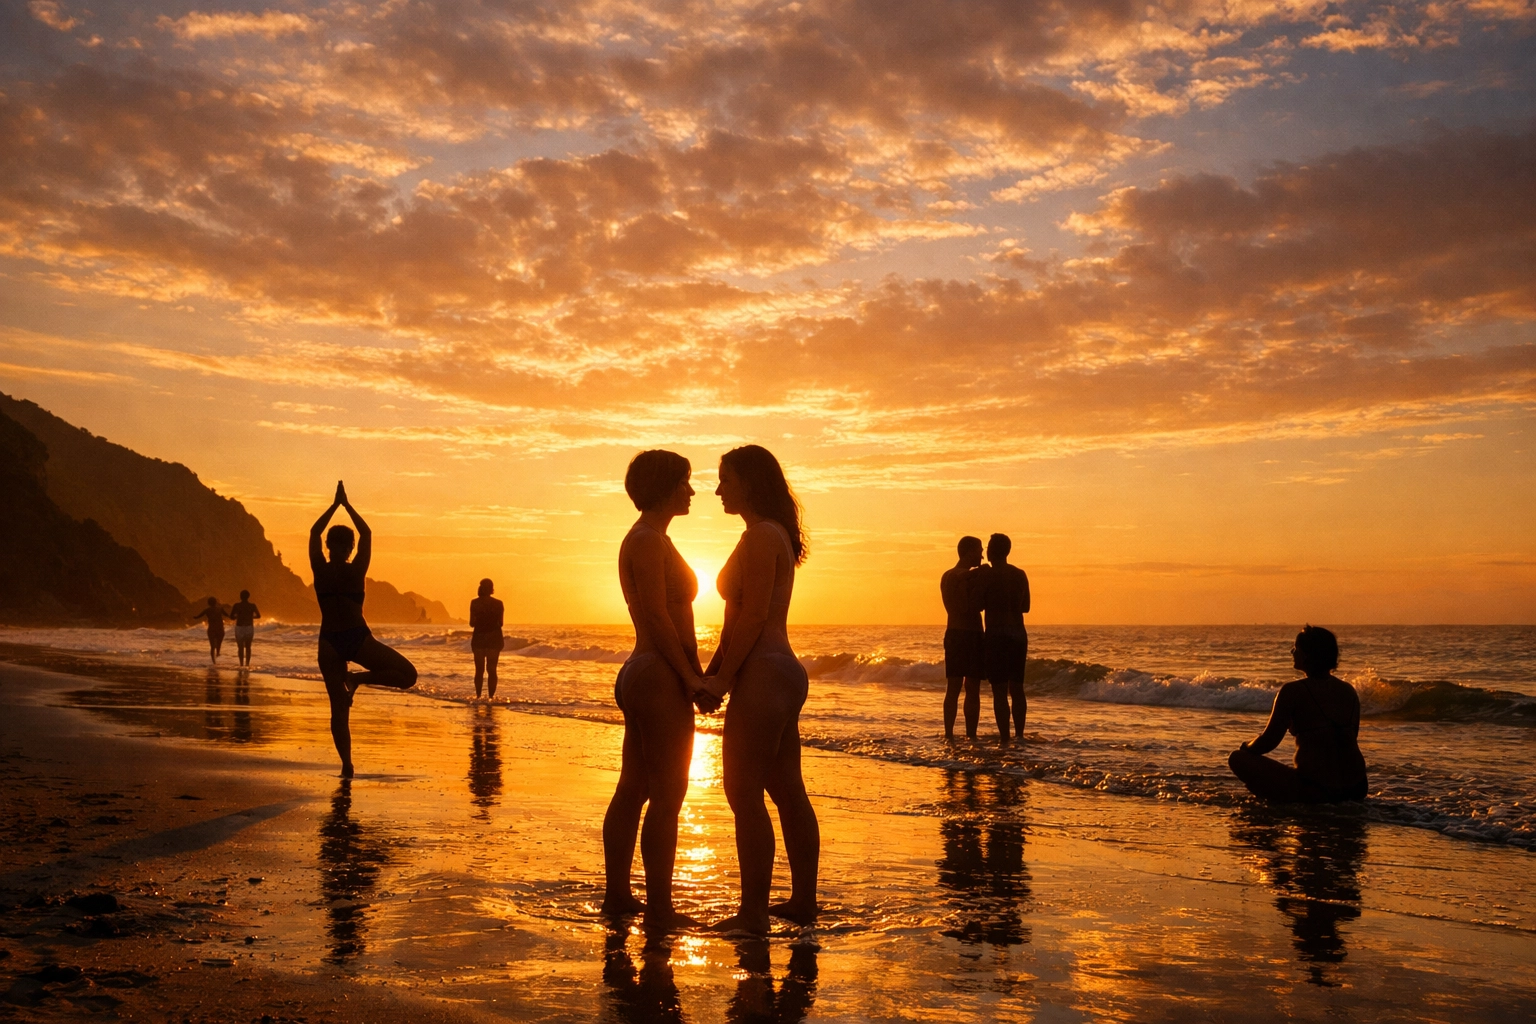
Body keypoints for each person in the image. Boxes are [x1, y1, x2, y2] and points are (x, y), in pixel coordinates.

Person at [696, 445, 820, 934]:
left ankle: (753, 915)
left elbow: (753, 617)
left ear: (750, 482)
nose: (718, 490)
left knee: (742, 791)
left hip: (765, 672)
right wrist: (710, 673)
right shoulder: (765, 534)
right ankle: (802, 903)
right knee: (787, 790)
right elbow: (734, 623)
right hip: (777, 670)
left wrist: (723, 680)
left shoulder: (763, 535)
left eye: (725, 479)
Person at [602, 450, 707, 928]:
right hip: (657, 673)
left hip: (648, 671)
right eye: (684, 482)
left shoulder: (652, 537)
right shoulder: (646, 539)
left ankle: (620, 895)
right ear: (664, 487)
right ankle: (659, 907)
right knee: (667, 793)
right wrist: (690, 676)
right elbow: (658, 617)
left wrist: (694, 671)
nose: (691, 490)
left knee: (635, 787)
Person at [310, 481, 418, 778]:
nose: (339, 549)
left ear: (331, 546)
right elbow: (365, 534)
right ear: (348, 548)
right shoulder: (353, 570)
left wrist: (335, 505)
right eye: (344, 546)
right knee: (405, 677)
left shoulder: (322, 569)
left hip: (332, 641)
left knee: (341, 707)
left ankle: (347, 764)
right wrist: (344, 505)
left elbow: (315, 533)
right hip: (353, 639)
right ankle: (357, 680)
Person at [1228, 626, 1369, 804]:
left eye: (1296, 648)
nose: (1292, 652)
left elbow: (1268, 741)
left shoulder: (1292, 691)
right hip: (1357, 787)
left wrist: (1247, 746)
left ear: (1307, 655)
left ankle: (1283, 800)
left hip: (1317, 788)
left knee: (1238, 758)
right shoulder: (1349, 690)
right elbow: (1351, 737)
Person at [980, 533, 1030, 743]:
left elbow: (978, 604)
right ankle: (1019, 735)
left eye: (988, 547)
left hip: (996, 634)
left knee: (999, 691)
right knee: (1017, 688)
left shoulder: (987, 575)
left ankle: (1004, 738)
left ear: (992, 551)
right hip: (1017, 633)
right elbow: (1026, 607)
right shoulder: (1019, 574)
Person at [940, 536, 986, 740]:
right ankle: (957, 735)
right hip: (965, 634)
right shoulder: (953, 575)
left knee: (963, 687)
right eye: (979, 551)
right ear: (969, 552)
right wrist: (981, 573)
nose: (982, 556)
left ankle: (964, 735)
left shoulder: (953, 576)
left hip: (959, 634)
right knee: (961, 688)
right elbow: (960, 579)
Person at [469, 578, 505, 700]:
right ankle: (491, 698)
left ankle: (478, 696)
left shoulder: (474, 603)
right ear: (491, 589)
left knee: (479, 670)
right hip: (494, 638)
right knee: (492, 670)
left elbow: (471, 623)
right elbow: (501, 623)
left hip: (479, 638)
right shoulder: (498, 603)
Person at [191, 596, 230, 663]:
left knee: (212, 646)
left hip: (211, 629)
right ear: (216, 602)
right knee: (219, 643)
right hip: (220, 629)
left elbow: (198, 616)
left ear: (208, 603)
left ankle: (213, 662)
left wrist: (194, 617)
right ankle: (218, 653)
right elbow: (227, 615)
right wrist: (235, 616)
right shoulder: (220, 609)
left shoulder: (207, 610)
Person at [230, 590, 261, 667]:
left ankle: (241, 664)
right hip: (249, 627)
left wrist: (238, 616)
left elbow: (231, 616)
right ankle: (247, 664)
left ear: (240, 596)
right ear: (248, 596)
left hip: (239, 627)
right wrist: (250, 616)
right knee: (248, 647)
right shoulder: (252, 605)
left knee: (240, 647)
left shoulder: (236, 605)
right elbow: (258, 616)